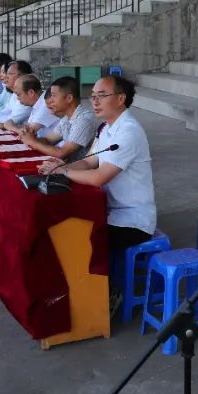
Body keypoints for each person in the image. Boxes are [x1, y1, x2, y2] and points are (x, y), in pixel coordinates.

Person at [40, 75, 156, 312]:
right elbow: (89, 163)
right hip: (113, 210)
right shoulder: (107, 128)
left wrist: (63, 172)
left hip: (133, 220)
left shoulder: (129, 132)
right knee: (65, 229)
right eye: (92, 96)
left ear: (121, 99)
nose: (94, 101)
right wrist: (58, 167)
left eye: (102, 96)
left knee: (81, 240)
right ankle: (77, 293)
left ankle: (107, 295)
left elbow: (99, 177)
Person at [20, 76, 96, 160]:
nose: (51, 100)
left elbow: (61, 153)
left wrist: (32, 142)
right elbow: (48, 140)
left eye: (54, 96)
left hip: (79, 170)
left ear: (69, 98)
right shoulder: (66, 118)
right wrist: (30, 137)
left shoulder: (84, 120)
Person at [0, 60, 33, 125]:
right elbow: (4, 111)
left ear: (21, 76)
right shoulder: (15, 94)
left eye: (9, 74)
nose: (5, 76)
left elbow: (10, 120)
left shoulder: (27, 95)